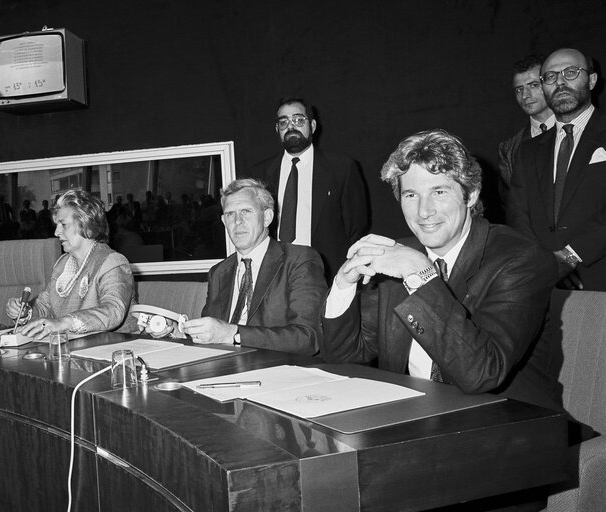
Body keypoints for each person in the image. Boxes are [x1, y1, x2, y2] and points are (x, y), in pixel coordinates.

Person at [321, 129, 560, 413]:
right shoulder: (401, 256)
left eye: (439, 191)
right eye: (411, 195)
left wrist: (420, 275)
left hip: (504, 425)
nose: (424, 211)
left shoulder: (520, 260)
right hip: (412, 420)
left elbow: (482, 372)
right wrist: (343, 285)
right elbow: (344, 356)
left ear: (470, 195)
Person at [183, 178, 326, 355]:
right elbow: (212, 334)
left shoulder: (299, 260)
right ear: (223, 221)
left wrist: (234, 334)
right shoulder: (219, 272)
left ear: (267, 217)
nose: (237, 221)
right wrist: (180, 332)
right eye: (230, 214)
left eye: (246, 211)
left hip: (280, 370)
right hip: (226, 369)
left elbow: (307, 338)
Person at [508, 47, 606, 291]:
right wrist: (544, 263)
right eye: (550, 77)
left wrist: (570, 256)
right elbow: (518, 215)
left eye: (571, 72)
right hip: (545, 283)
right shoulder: (527, 151)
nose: (560, 82)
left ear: (592, 80)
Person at [251, 97, 369, 283]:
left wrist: (347, 272)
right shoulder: (260, 175)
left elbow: (356, 226)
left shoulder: (342, 168)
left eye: (298, 120)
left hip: (327, 275)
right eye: (283, 122)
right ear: (277, 129)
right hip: (274, 277)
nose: (291, 127)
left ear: (312, 125)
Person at [5, 189, 135, 339]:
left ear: (87, 225)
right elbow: (45, 307)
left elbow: (113, 311)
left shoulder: (112, 261)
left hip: (115, 350)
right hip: (75, 350)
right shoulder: (62, 264)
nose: (56, 232)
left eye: (63, 225)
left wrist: (65, 322)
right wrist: (25, 312)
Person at [497, 55, 555, 212]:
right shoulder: (509, 149)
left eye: (534, 85)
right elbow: (512, 208)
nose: (525, 96)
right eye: (519, 89)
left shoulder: (578, 128)